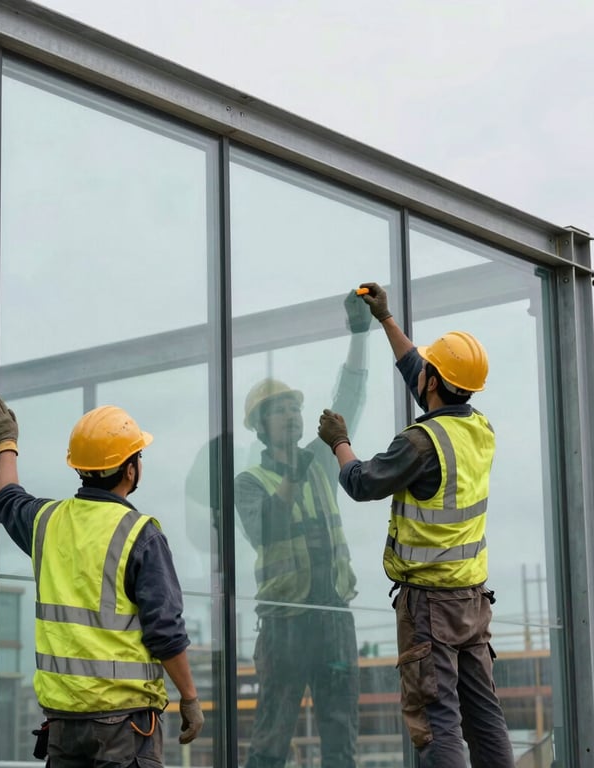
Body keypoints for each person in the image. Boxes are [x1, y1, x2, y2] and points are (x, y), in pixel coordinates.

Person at [316, 282, 515, 768]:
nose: (419, 372)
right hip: (471, 599)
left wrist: (339, 442)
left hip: (429, 605)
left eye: (426, 371)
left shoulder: (421, 443)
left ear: (432, 382)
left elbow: (361, 483)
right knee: (484, 715)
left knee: (436, 722)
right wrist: (386, 320)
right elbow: (422, 378)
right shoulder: (478, 429)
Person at [0, 396, 204, 767]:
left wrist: (6, 443)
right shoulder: (140, 535)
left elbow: (5, 497)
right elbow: (164, 631)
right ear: (130, 470)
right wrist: (191, 698)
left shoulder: (47, 521)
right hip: (125, 725)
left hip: (64, 725)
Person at [233, 290, 371, 768]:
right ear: (260, 427)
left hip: (333, 617)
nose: (292, 416)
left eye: (294, 408)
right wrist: (294, 471)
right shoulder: (249, 482)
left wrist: (359, 336)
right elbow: (266, 529)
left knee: (341, 744)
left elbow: (347, 401)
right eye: (280, 410)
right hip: (285, 625)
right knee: (271, 741)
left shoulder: (318, 464)